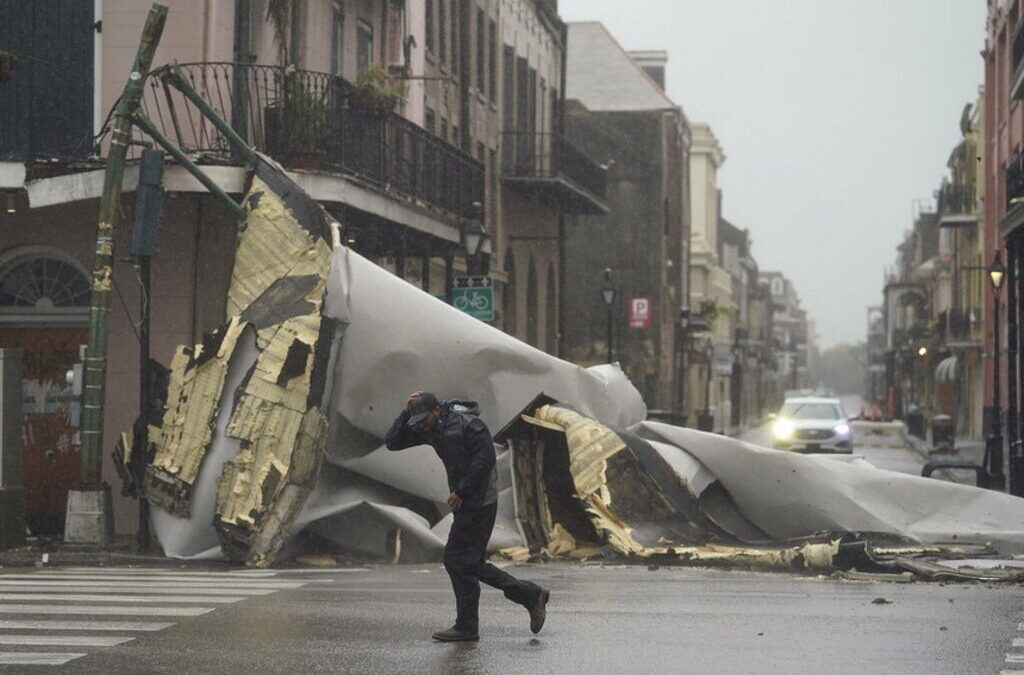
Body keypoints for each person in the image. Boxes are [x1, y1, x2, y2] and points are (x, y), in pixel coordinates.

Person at [386, 391, 550, 642]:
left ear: (437, 411)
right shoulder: (429, 427)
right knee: (464, 562)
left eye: (423, 419)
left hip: (481, 500)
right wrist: (406, 413)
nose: (421, 425)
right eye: (417, 420)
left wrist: (462, 490)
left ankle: (487, 616)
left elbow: (484, 461)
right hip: (465, 501)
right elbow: (393, 442)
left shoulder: (469, 425)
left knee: (460, 561)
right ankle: (517, 601)